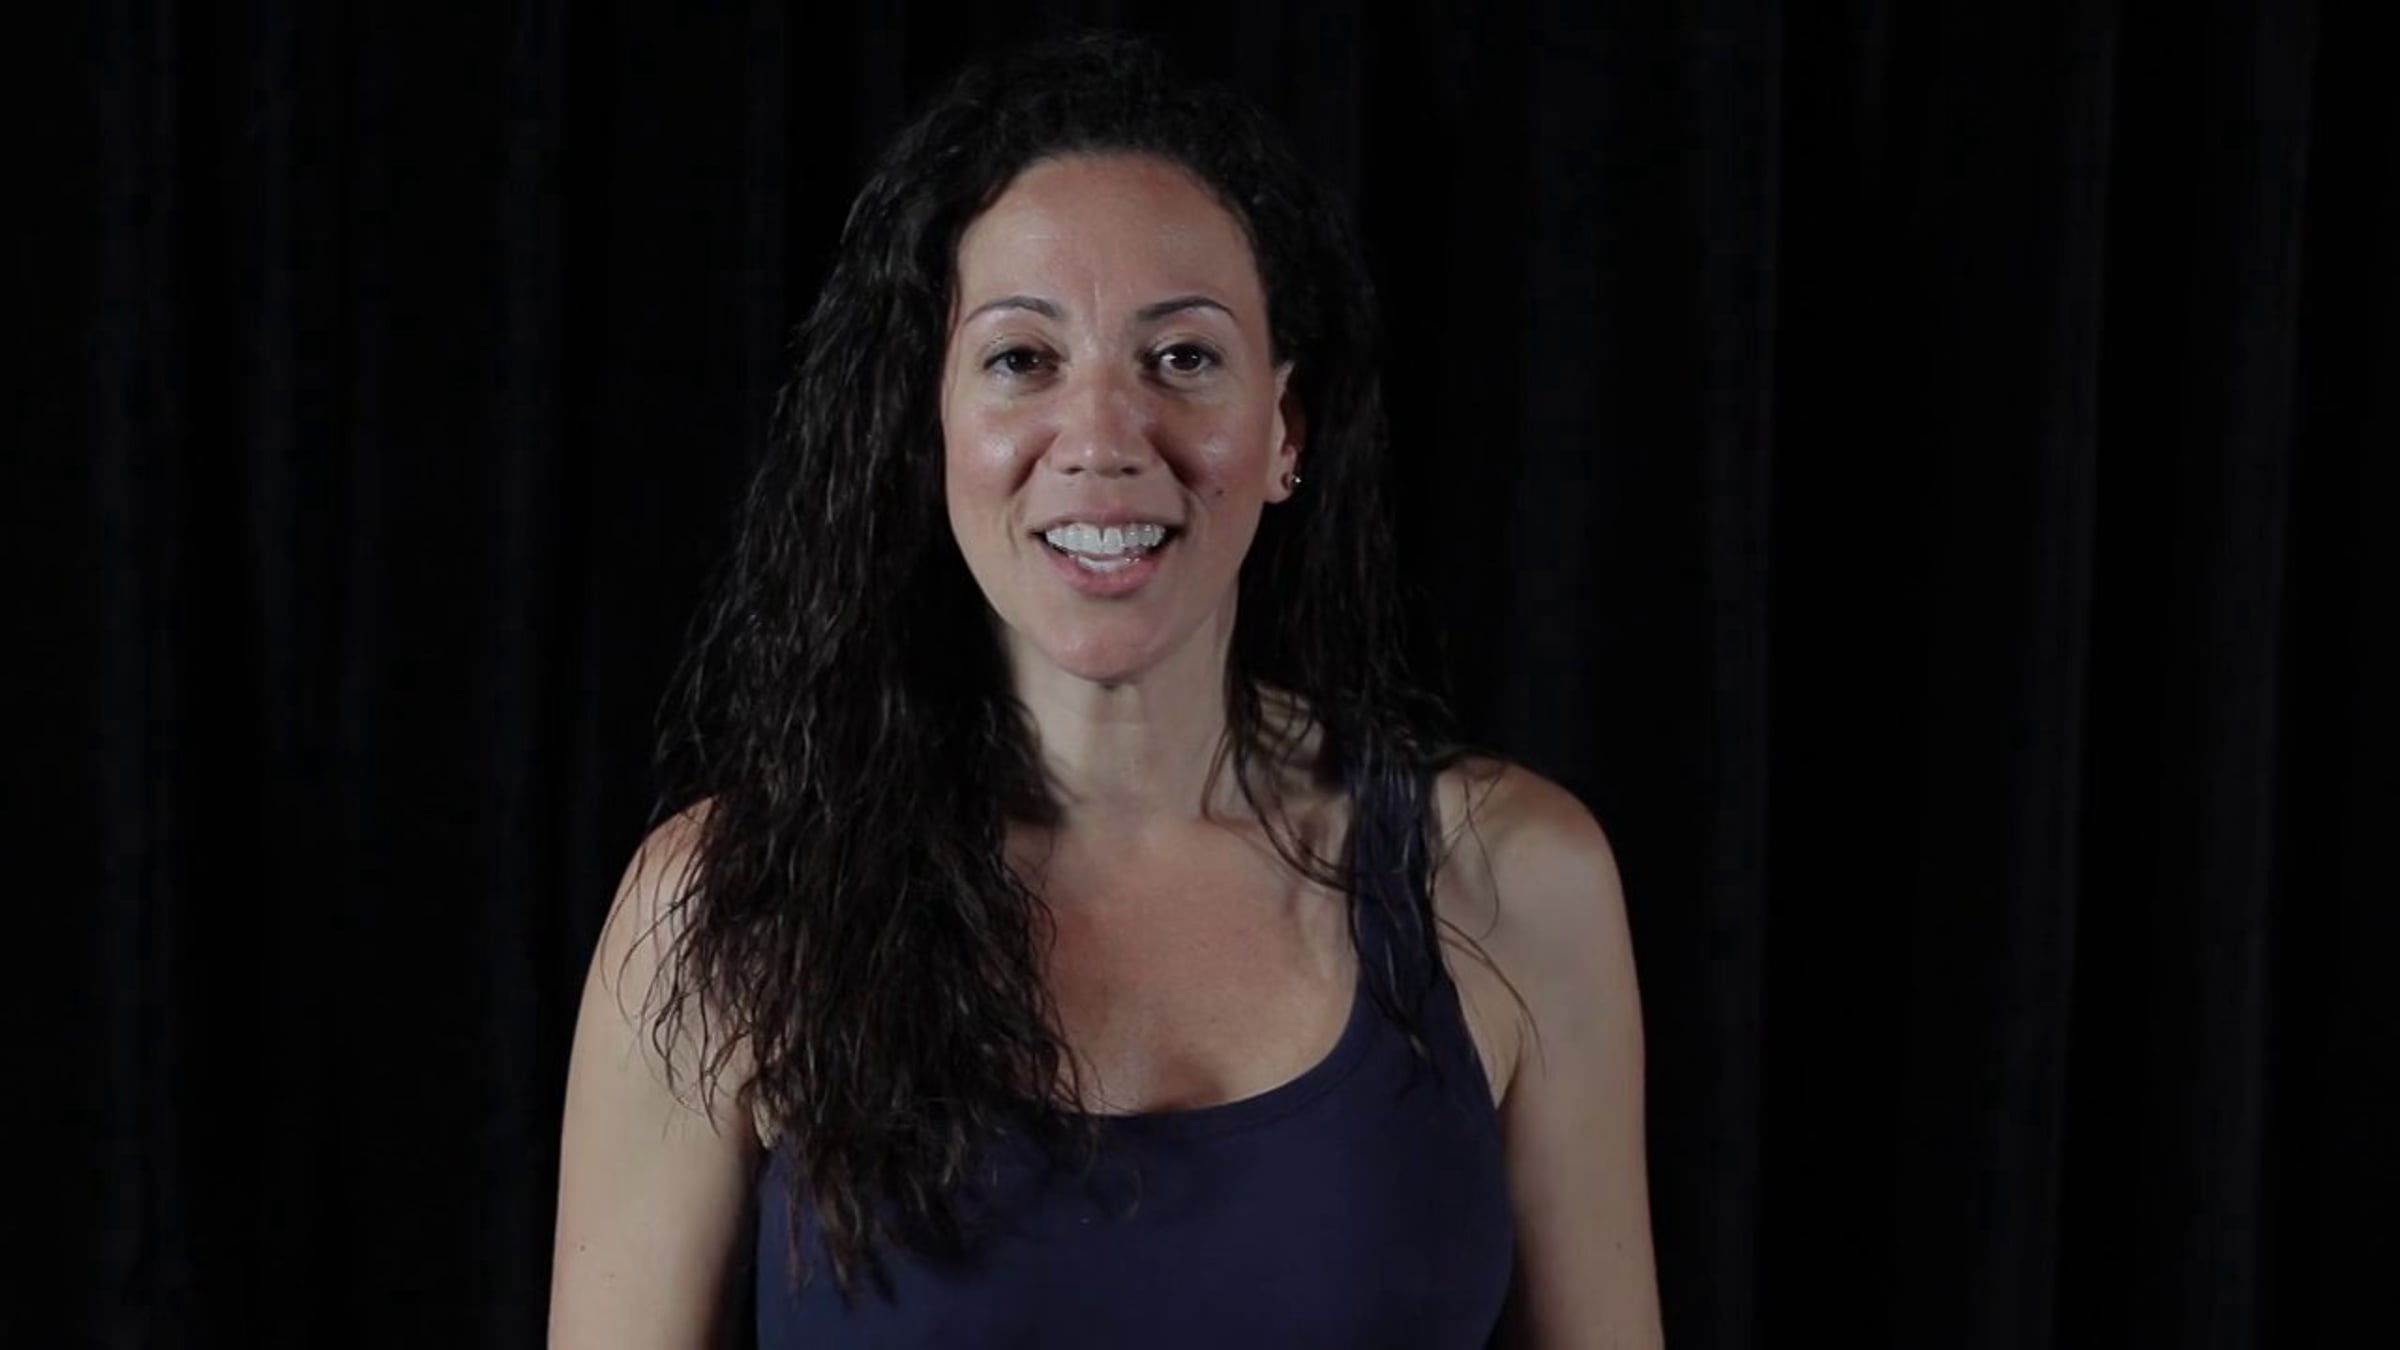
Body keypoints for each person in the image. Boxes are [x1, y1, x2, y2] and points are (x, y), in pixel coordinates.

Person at [550, 32, 1659, 1349]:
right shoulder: (729, 902)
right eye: (1023, 359)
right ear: (931, 424)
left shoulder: (1515, 882)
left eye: (1181, 358)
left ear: (1285, 431)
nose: (1101, 438)